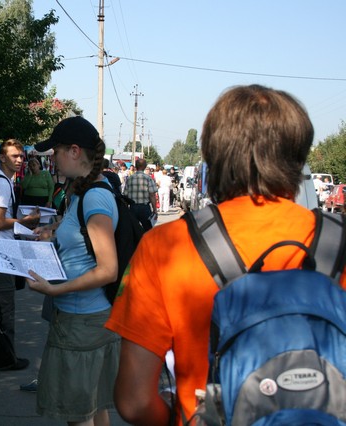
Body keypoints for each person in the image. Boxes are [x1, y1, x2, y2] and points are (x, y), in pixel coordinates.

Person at [105, 84, 346, 425]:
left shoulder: (165, 246)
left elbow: (134, 401)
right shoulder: (338, 242)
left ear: (214, 157)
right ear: (297, 157)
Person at [25, 116, 121, 425]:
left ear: (75, 151)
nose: (53, 157)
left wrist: (56, 289)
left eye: (56, 150)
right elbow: (79, 239)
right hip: (86, 319)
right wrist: (51, 234)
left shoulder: (94, 196)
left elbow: (108, 269)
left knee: (77, 415)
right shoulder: (83, 191)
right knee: (94, 407)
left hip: (82, 323)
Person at [0, 139, 41, 371]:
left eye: (21, 156)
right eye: (14, 156)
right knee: (5, 306)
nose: (19, 160)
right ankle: (7, 358)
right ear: (2, 158)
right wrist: (26, 221)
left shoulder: (0, 180)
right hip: (1, 252)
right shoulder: (2, 184)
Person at [123, 157, 158, 231]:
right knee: (148, 230)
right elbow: (152, 195)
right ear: (145, 167)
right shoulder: (148, 178)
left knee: (133, 230)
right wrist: (154, 209)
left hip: (132, 207)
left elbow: (125, 195)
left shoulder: (129, 178)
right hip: (145, 208)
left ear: (135, 166)